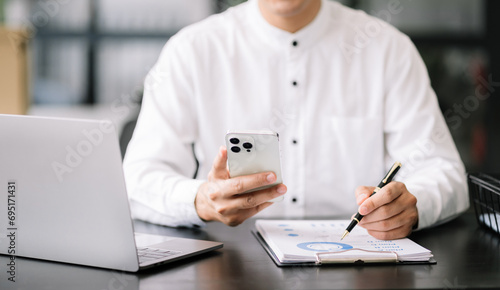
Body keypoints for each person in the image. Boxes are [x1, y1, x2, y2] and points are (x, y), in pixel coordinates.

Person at [123, 0, 469, 240]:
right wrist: (199, 199)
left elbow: (444, 172)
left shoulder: (387, 49)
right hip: (225, 267)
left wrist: (411, 204)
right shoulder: (192, 50)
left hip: (358, 266)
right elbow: (137, 179)